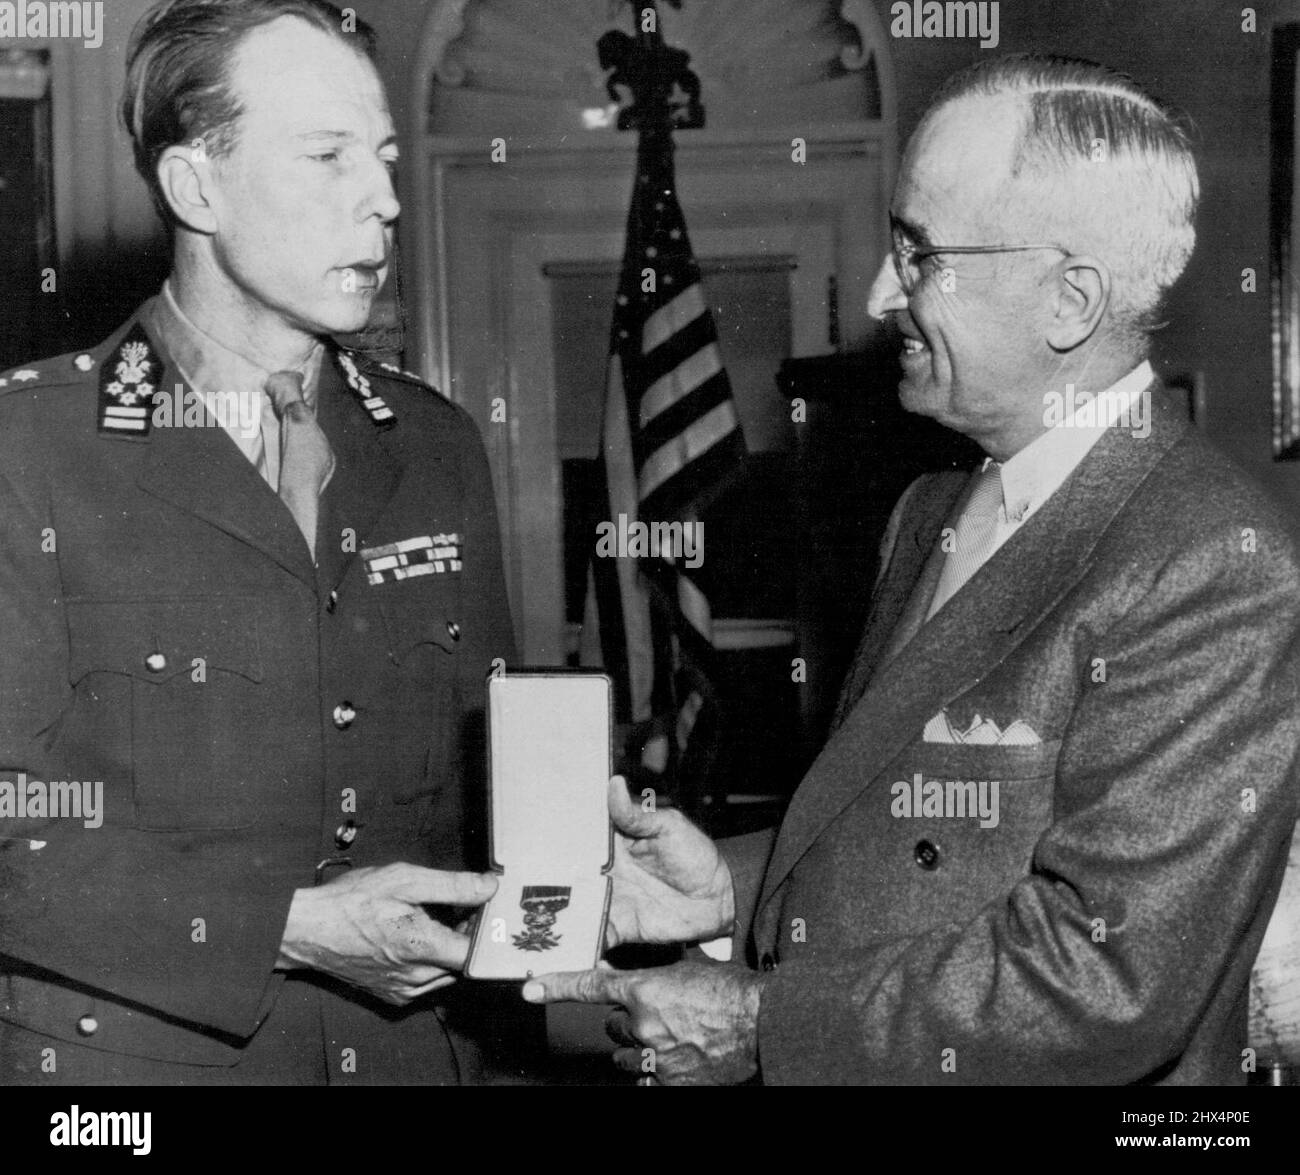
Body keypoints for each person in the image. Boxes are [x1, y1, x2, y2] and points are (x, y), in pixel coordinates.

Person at [523, 54, 1300, 1085]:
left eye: (919, 254)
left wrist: (766, 1023)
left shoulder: (1208, 564)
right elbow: (900, 832)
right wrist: (729, 892)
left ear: (1067, 300)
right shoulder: (929, 508)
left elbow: (1104, 978)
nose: (885, 294)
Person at [0, 0, 536, 1085]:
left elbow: (494, 785)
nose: (385, 199)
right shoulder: (31, 447)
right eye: (328, 156)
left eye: (384, 158)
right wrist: (283, 924)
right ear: (196, 186)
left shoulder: (433, 445)